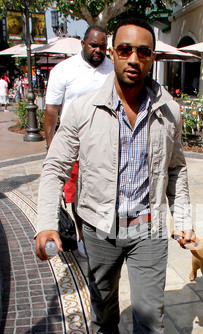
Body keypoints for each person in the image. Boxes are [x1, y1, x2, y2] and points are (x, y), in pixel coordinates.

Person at [35, 17, 193, 334]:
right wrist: (46, 224)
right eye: (124, 49)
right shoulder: (83, 107)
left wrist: (185, 220)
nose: (133, 58)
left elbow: (177, 170)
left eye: (143, 51)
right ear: (111, 51)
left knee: (150, 312)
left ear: (153, 57)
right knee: (103, 293)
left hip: (150, 229)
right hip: (99, 225)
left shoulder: (169, 111)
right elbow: (54, 168)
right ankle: (106, 327)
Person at [44, 25, 113, 257]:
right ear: (83, 44)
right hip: (73, 144)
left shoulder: (113, 71)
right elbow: (52, 111)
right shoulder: (64, 70)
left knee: (101, 191)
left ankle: (101, 233)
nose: (98, 50)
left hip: (104, 145)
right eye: (94, 45)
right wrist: (51, 147)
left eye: (103, 46)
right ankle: (83, 236)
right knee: (76, 195)